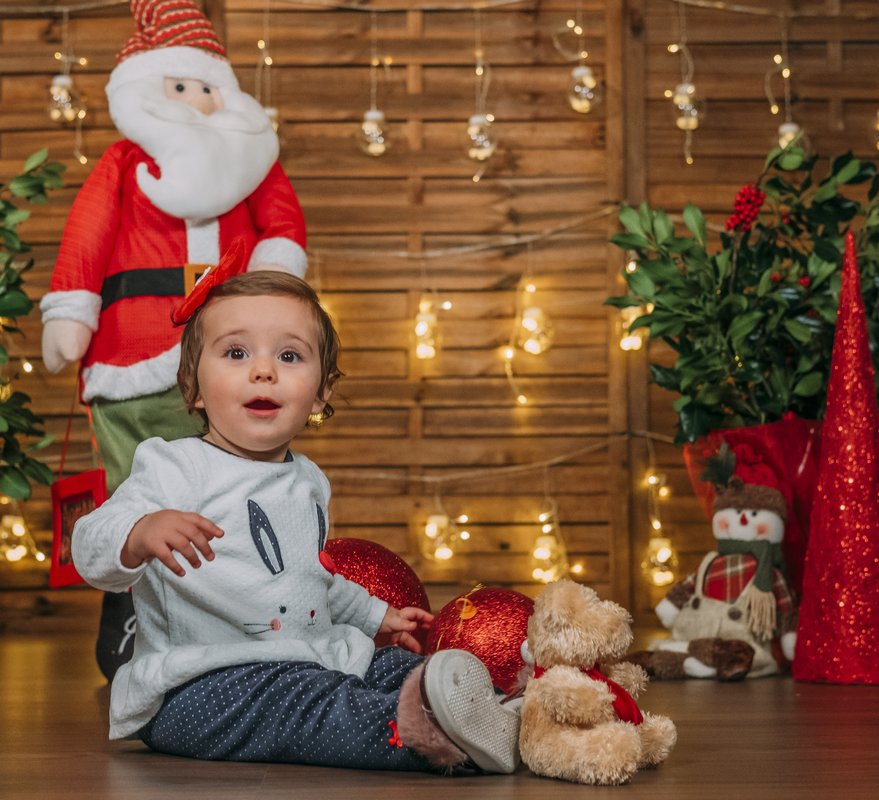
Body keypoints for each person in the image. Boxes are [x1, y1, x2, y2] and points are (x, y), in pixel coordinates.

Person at [71, 271, 521, 773]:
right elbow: (88, 542)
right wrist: (138, 532)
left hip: (306, 659)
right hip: (200, 685)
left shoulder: (307, 480)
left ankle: (504, 711)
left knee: (392, 666)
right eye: (236, 353)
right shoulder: (176, 466)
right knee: (313, 704)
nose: (264, 371)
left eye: (289, 356)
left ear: (322, 392)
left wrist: (377, 616)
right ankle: (431, 736)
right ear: (193, 387)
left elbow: (306, 580)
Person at [40, 0, 307, 680]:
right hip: (130, 355)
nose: (195, 102)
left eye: (206, 88)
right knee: (134, 483)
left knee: (231, 481)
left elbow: (282, 226)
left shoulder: (251, 163)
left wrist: (275, 295)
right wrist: (71, 309)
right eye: (179, 86)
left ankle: (235, 607)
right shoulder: (121, 162)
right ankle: (131, 602)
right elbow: (87, 233)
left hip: (229, 353)